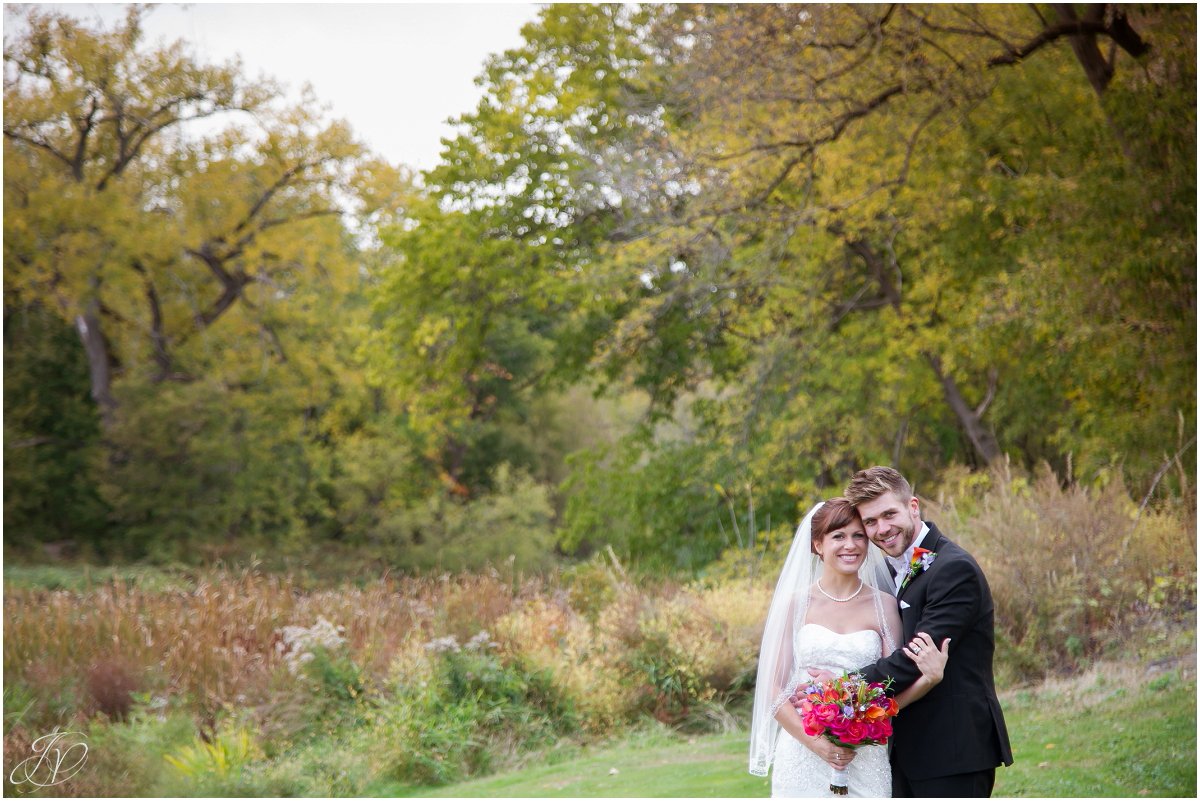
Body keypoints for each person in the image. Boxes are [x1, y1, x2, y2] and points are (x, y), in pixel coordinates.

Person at [749, 498, 950, 798]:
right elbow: (772, 689)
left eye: (858, 536)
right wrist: (818, 744)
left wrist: (929, 680)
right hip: (803, 750)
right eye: (838, 536)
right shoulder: (795, 604)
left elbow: (893, 691)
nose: (851, 545)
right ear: (818, 544)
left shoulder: (884, 606)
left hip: (865, 754)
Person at [845, 466, 1013, 797]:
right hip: (906, 751)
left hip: (953, 748)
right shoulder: (894, 569)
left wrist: (840, 687)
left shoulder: (953, 568)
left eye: (889, 514)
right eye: (871, 522)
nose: (882, 529)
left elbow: (915, 658)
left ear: (913, 506)